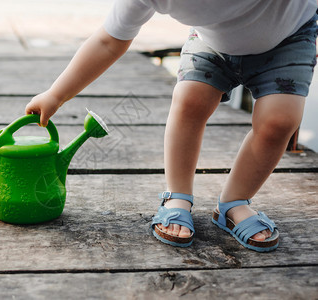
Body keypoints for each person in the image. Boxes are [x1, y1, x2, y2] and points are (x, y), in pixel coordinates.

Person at [25, 0, 318, 252]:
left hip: (287, 39)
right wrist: (56, 94)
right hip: (212, 41)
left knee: (278, 121)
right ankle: (177, 195)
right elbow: (108, 41)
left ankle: (234, 201)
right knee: (190, 100)